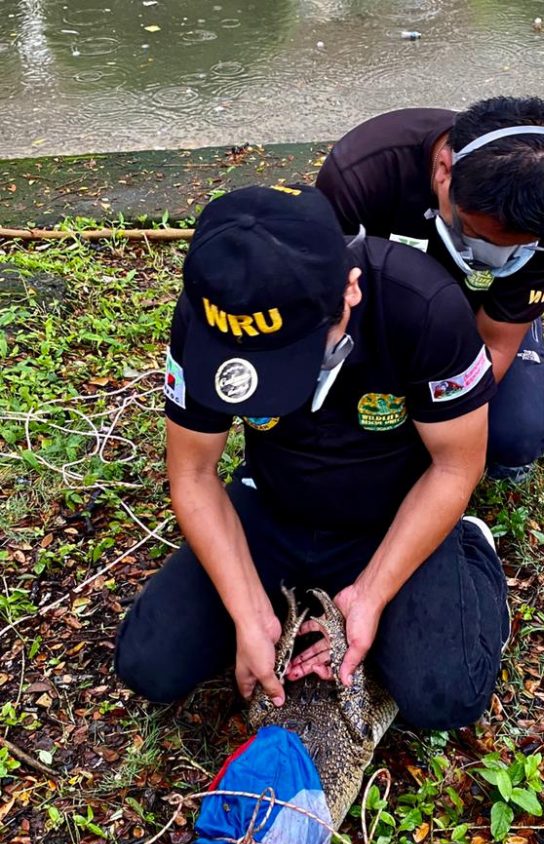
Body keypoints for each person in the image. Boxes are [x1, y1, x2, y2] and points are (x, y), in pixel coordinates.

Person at [115, 184, 509, 730]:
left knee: (446, 696)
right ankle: (282, 601)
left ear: (350, 290)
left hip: (392, 513)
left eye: (293, 353)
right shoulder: (206, 316)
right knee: (148, 665)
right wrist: (248, 610)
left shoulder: (423, 305)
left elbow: (456, 465)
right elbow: (194, 471)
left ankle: (470, 546)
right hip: (273, 503)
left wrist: (370, 597)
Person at [316, 96, 544, 480]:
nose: (495, 260)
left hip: (479, 317)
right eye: (476, 235)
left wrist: (442, 424)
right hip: (373, 307)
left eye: (515, 248)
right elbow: (329, 306)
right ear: (444, 171)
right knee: (340, 425)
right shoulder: (363, 170)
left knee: (515, 437)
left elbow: (495, 342)